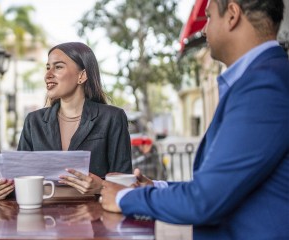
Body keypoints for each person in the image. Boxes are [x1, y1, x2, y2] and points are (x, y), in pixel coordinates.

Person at [100, 0, 289, 239]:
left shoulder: (264, 86)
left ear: (232, 15)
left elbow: (204, 200)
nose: (203, 30)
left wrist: (122, 197)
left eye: (209, 17)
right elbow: (225, 185)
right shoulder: (264, 78)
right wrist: (156, 188)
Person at [0, 42, 132, 199]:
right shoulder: (33, 121)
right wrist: (4, 190)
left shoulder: (112, 118)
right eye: (47, 67)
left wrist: (101, 187)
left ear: (82, 76)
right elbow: (22, 180)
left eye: (58, 67)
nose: (48, 75)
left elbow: (126, 184)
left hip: (94, 218)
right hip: (43, 218)